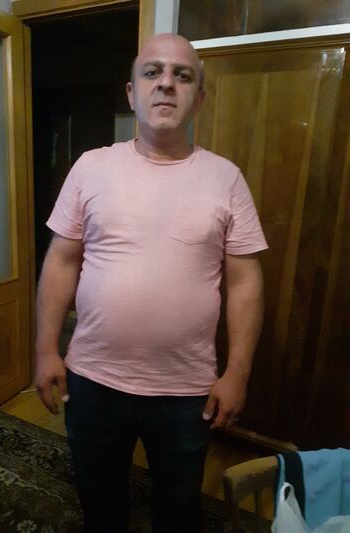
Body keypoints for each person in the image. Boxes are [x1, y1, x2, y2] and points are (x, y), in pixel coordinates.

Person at [35, 33, 268, 533]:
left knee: (178, 509)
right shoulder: (91, 167)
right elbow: (61, 261)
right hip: (92, 379)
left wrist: (238, 373)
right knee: (99, 501)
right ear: (131, 92)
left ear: (198, 98)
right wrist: (45, 350)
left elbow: (245, 281)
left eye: (182, 76)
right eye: (152, 72)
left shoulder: (226, 178)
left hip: (185, 391)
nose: (165, 83)